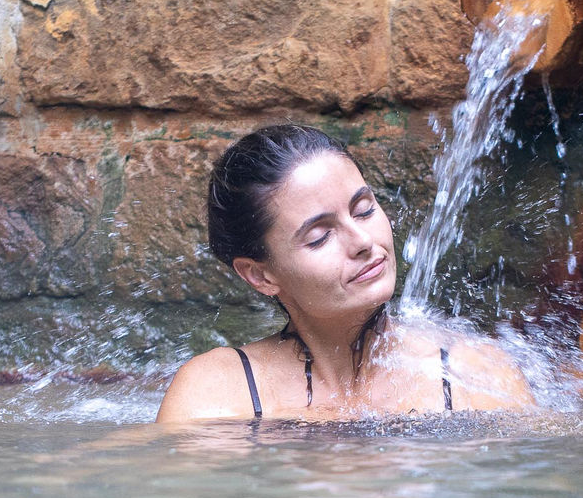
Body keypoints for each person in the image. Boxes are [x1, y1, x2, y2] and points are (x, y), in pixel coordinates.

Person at [156, 124, 534, 422]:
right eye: (320, 237)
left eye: (365, 210)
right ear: (260, 275)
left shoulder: (476, 376)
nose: (362, 241)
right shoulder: (217, 395)